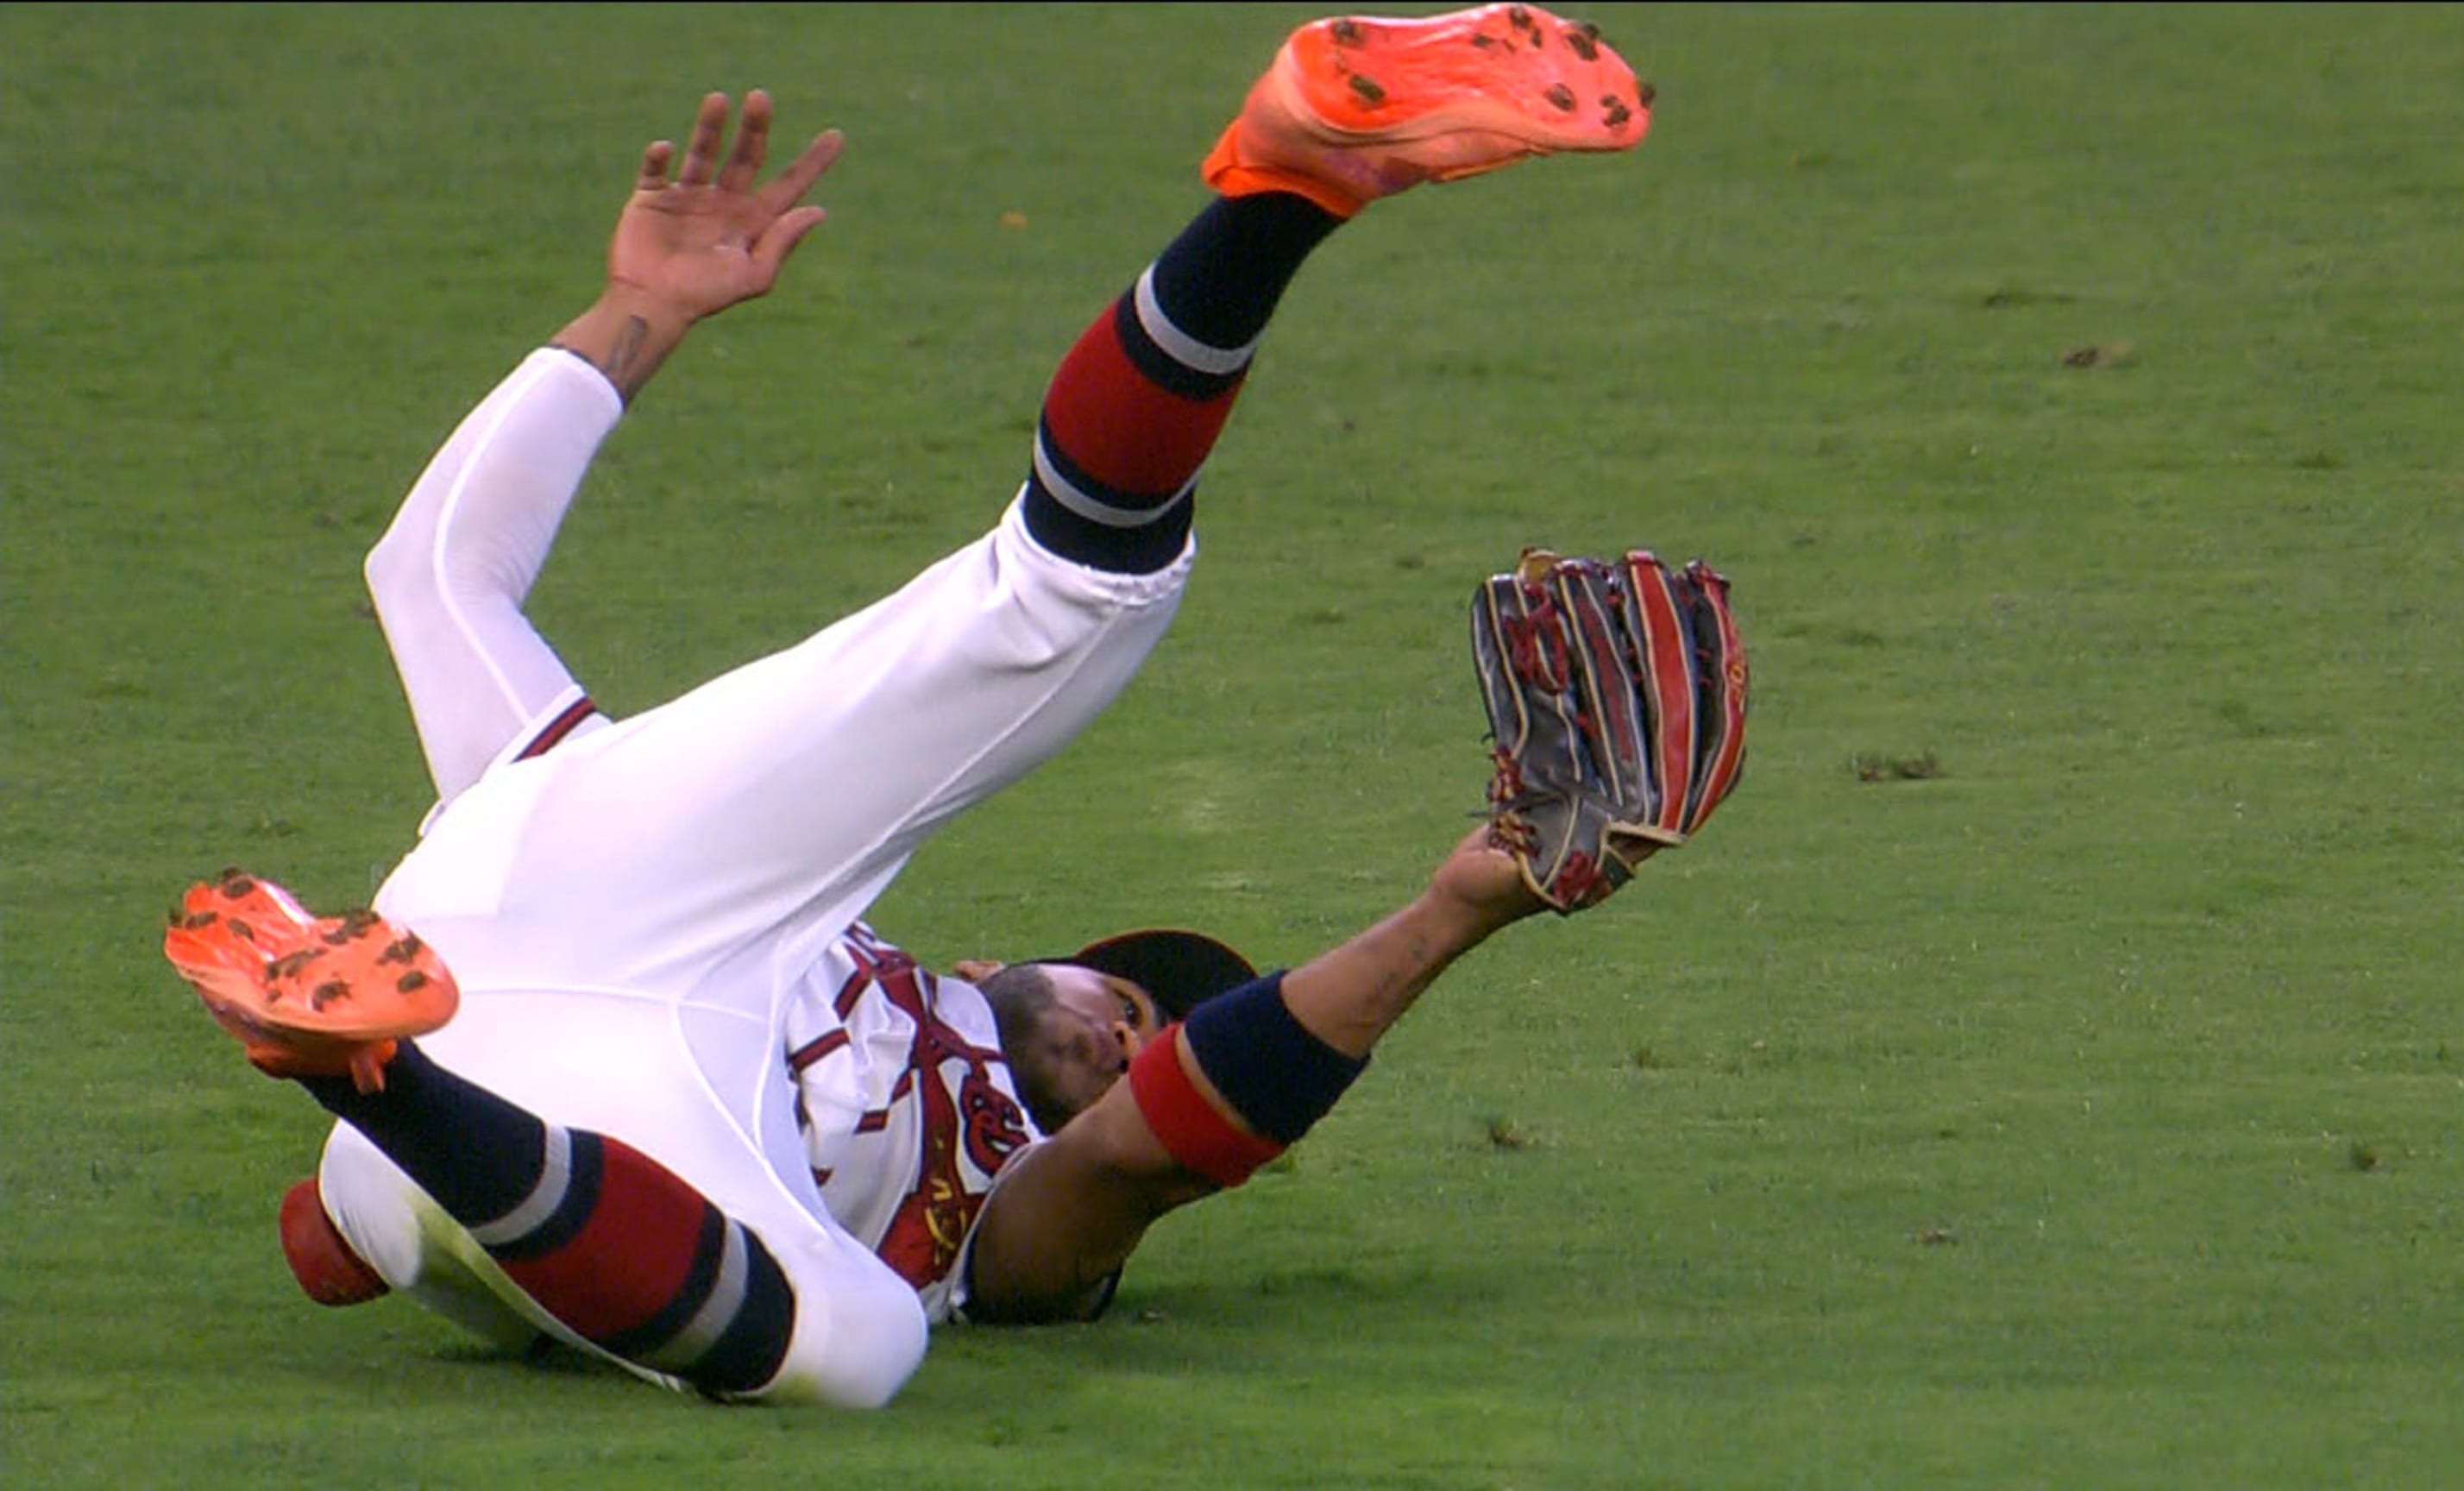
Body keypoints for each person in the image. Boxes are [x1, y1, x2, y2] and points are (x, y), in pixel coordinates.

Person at [166, 4, 1663, 1408]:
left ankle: (358, 1069)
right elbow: (432, 572)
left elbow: (1152, 1153)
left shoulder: (1008, 1219)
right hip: (613, 901)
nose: (1119, 1045)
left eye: (1144, 1048)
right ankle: (1283, 185)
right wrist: (641, 310)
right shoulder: (794, 897)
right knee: (1062, 600)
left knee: (868, 1339)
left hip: (529, 1136)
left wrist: (1465, 907)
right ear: (1001, 958)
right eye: (1125, 1003)